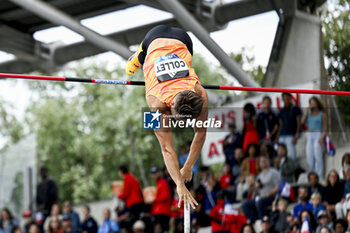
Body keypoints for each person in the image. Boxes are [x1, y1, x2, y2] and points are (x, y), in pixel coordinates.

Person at [125, 25, 208, 209]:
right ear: (170, 107)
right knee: (129, 71)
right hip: (152, 40)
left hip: (183, 39)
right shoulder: (155, 105)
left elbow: (201, 133)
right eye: (177, 119)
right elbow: (166, 148)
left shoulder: (199, 94)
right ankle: (138, 56)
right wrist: (178, 183)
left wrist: (187, 167)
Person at [242, 155, 281, 223]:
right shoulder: (259, 175)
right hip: (261, 197)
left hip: (272, 196)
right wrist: (252, 187)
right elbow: (257, 190)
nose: (263, 162)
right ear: (259, 164)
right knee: (245, 205)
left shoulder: (273, 172)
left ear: (268, 162)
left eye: (265, 160)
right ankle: (254, 223)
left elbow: (278, 187)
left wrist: (267, 194)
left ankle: (262, 222)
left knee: (260, 202)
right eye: (261, 161)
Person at [301, 96, 327, 179]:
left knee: (317, 155)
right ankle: (312, 175)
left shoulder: (322, 114)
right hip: (310, 135)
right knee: (309, 156)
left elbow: (325, 127)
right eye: (310, 103)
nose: (312, 104)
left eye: (313, 102)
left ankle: (320, 175)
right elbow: (302, 121)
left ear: (317, 103)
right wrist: (306, 111)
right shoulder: (308, 114)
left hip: (318, 134)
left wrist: (322, 137)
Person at [278, 93, 302, 162]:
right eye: (284, 99)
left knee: (291, 156)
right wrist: (278, 135)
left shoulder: (296, 109)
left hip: (291, 136)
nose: (286, 100)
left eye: (287, 98)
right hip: (282, 136)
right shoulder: (282, 110)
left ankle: (292, 172)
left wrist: (296, 136)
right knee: (281, 157)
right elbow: (281, 124)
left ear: (290, 99)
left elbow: (299, 123)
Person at [150, 166, 173, 233]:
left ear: (159, 173)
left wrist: (154, 199)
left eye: (155, 173)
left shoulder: (163, 182)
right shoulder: (159, 182)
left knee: (161, 228)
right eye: (153, 173)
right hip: (159, 211)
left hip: (163, 211)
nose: (154, 174)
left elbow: (165, 195)